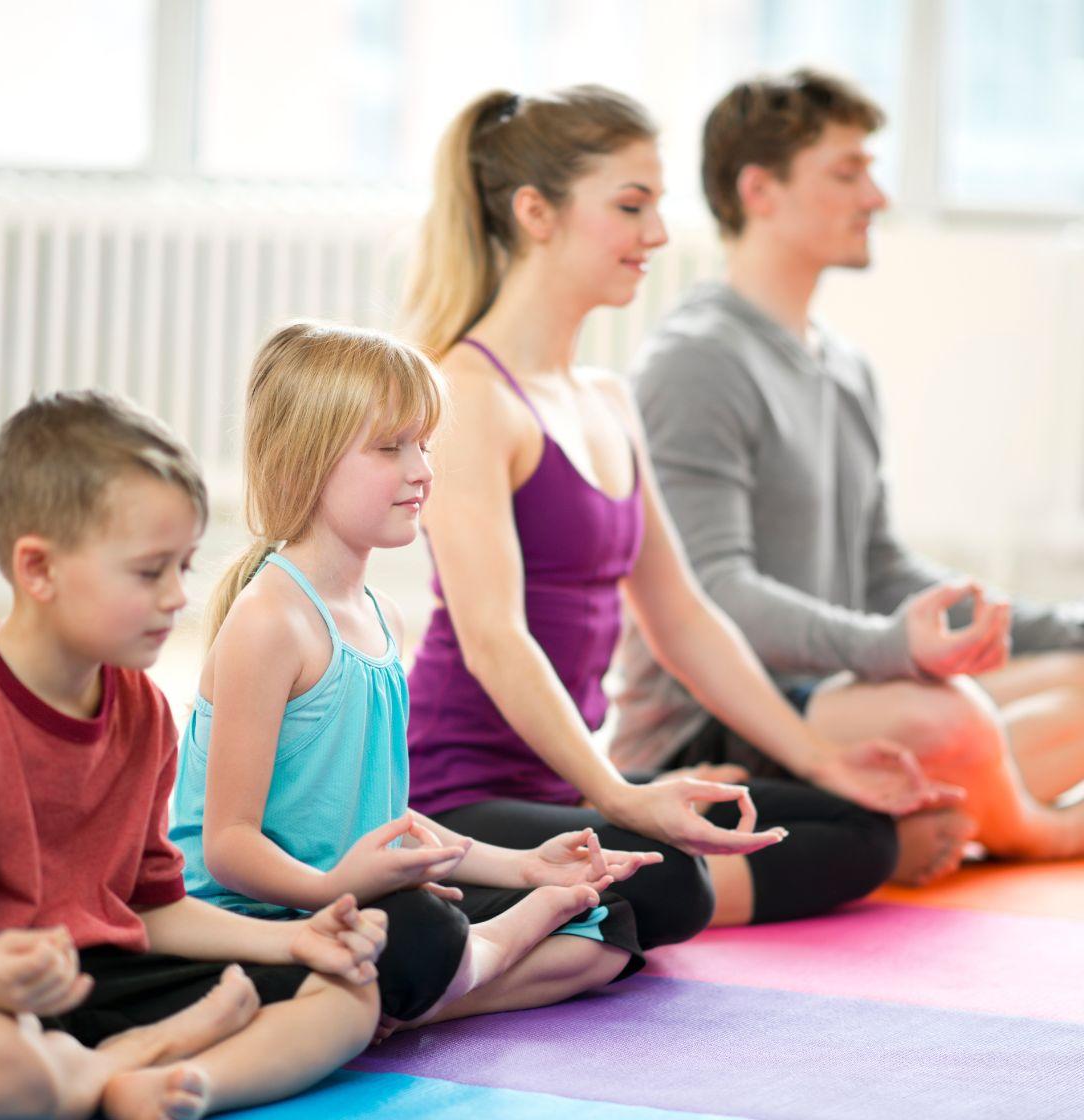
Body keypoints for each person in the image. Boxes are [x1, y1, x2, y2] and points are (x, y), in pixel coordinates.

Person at [400, 85, 947, 934]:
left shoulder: (609, 399)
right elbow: (494, 638)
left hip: (570, 787)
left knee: (858, 826)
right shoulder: (470, 396)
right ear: (536, 212)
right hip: (463, 799)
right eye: (630, 206)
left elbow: (682, 616)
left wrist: (821, 759)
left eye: (657, 206)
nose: (657, 234)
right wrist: (622, 796)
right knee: (672, 883)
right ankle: (568, 904)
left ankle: (577, 915)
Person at [614, 69, 1084, 882]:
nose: (877, 196)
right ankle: (1034, 830)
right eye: (847, 172)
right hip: (723, 723)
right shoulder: (696, 363)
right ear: (759, 190)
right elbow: (714, 593)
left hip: (835, 691)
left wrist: (1061, 624)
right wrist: (889, 648)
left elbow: (880, 568)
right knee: (943, 719)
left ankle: (947, 815)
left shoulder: (846, 368)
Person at [170, 321, 662, 1034]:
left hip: (354, 907)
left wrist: (523, 868)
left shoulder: (381, 616)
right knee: (422, 927)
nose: (422, 468)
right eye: (389, 447)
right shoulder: (270, 622)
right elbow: (228, 847)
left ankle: (410, 999)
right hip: (255, 919)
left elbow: (386, 822)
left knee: (605, 938)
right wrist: (335, 890)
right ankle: (443, 971)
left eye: (425, 444)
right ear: (305, 459)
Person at [0, 390, 387, 1120]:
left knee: (348, 994)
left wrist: (295, 940)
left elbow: (151, 908)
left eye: (184, 567)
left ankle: (154, 1083)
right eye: (148, 572)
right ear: (38, 570)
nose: (177, 599)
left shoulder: (142, 708)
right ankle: (136, 1059)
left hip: (107, 978)